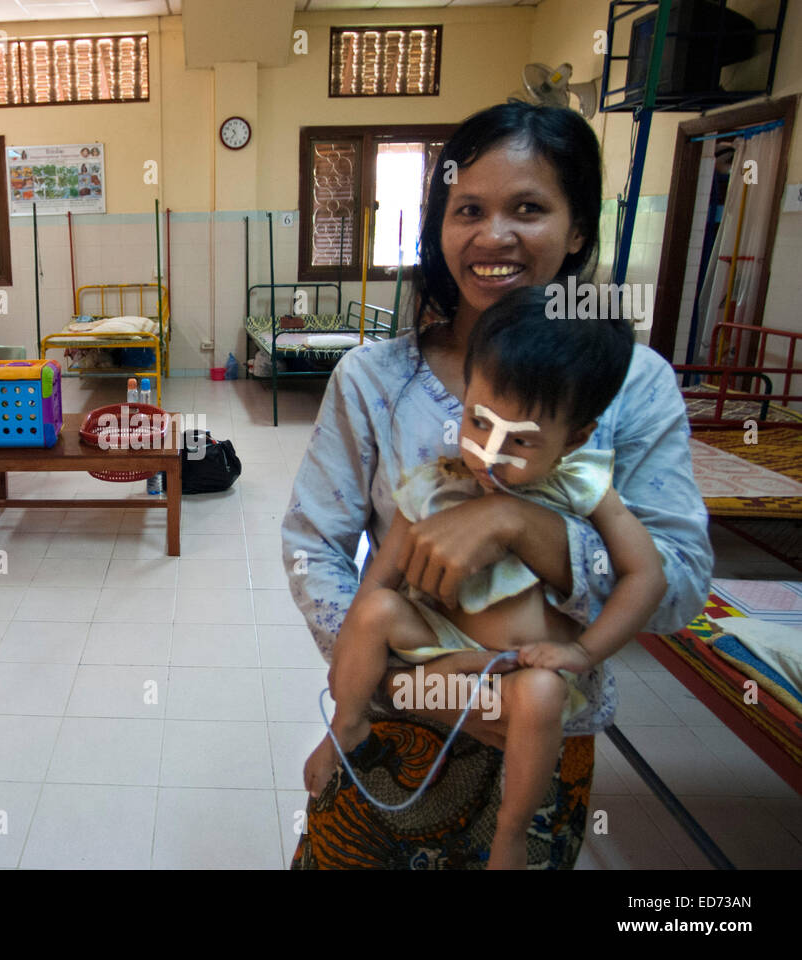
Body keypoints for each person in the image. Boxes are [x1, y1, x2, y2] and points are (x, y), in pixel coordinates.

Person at [283, 101, 712, 870]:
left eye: (529, 208)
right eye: (468, 209)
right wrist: (394, 683)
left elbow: (676, 589)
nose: (493, 236)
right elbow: (314, 545)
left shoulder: (635, 386)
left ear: (578, 229)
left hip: (541, 729)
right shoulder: (377, 380)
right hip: (394, 717)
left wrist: (519, 526)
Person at [305, 286, 668, 869]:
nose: (491, 454)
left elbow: (647, 576)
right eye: (478, 422)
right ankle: (343, 731)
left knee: (543, 693)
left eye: (520, 441)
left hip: (521, 676)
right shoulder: (432, 482)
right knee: (371, 612)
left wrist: (582, 650)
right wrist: (394, 680)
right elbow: (376, 582)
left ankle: (512, 831)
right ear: (466, 394)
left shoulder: (583, 486)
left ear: (575, 437)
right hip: (432, 655)